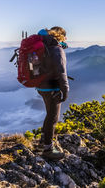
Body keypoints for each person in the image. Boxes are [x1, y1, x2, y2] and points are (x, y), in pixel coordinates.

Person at [36, 26, 69, 160]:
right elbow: (61, 71)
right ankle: (48, 149)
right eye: (65, 36)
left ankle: (42, 144)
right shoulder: (56, 49)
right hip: (52, 88)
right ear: (60, 35)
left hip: (41, 86)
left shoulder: (44, 45)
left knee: (49, 115)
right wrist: (65, 89)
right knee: (53, 118)